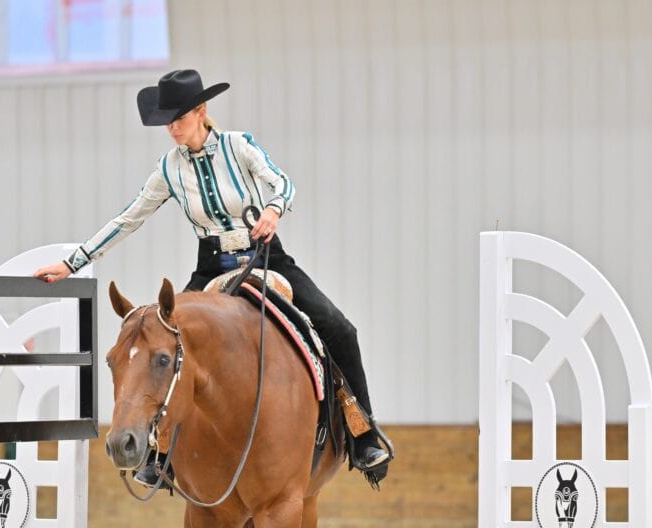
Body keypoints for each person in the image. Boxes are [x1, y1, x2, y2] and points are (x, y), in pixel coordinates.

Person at [34, 69, 391, 485]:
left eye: (178, 118)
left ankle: (363, 431)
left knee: (339, 328)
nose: (171, 127)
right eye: (166, 121)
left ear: (202, 111)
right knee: (163, 339)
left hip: (264, 255)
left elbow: (281, 182)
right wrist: (74, 261)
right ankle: (159, 453)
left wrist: (274, 210)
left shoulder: (239, 146)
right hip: (210, 265)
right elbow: (129, 218)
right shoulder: (168, 169)